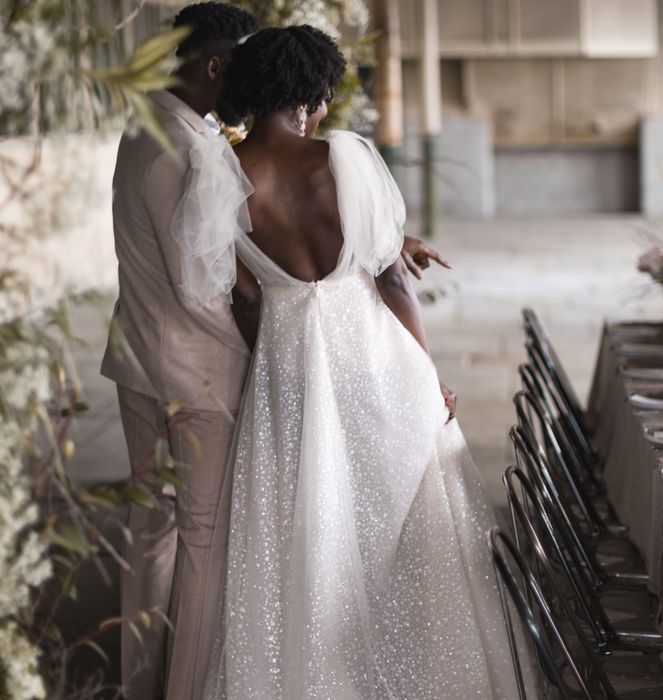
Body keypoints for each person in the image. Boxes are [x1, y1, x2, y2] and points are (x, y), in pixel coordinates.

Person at [101, 4, 450, 698]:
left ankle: (143, 679)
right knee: (211, 542)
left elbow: (249, 262)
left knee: (160, 532)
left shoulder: (168, 140)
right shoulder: (207, 157)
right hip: (201, 373)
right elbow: (214, 288)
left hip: (142, 356)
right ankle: (183, 685)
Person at [198, 26, 518, 699]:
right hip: (374, 363)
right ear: (314, 94)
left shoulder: (221, 176)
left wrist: (274, 374)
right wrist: (427, 378)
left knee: (310, 533)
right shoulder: (342, 159)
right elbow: (393, 282)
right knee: (405, 529)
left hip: (284, 364)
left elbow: (243, 302)